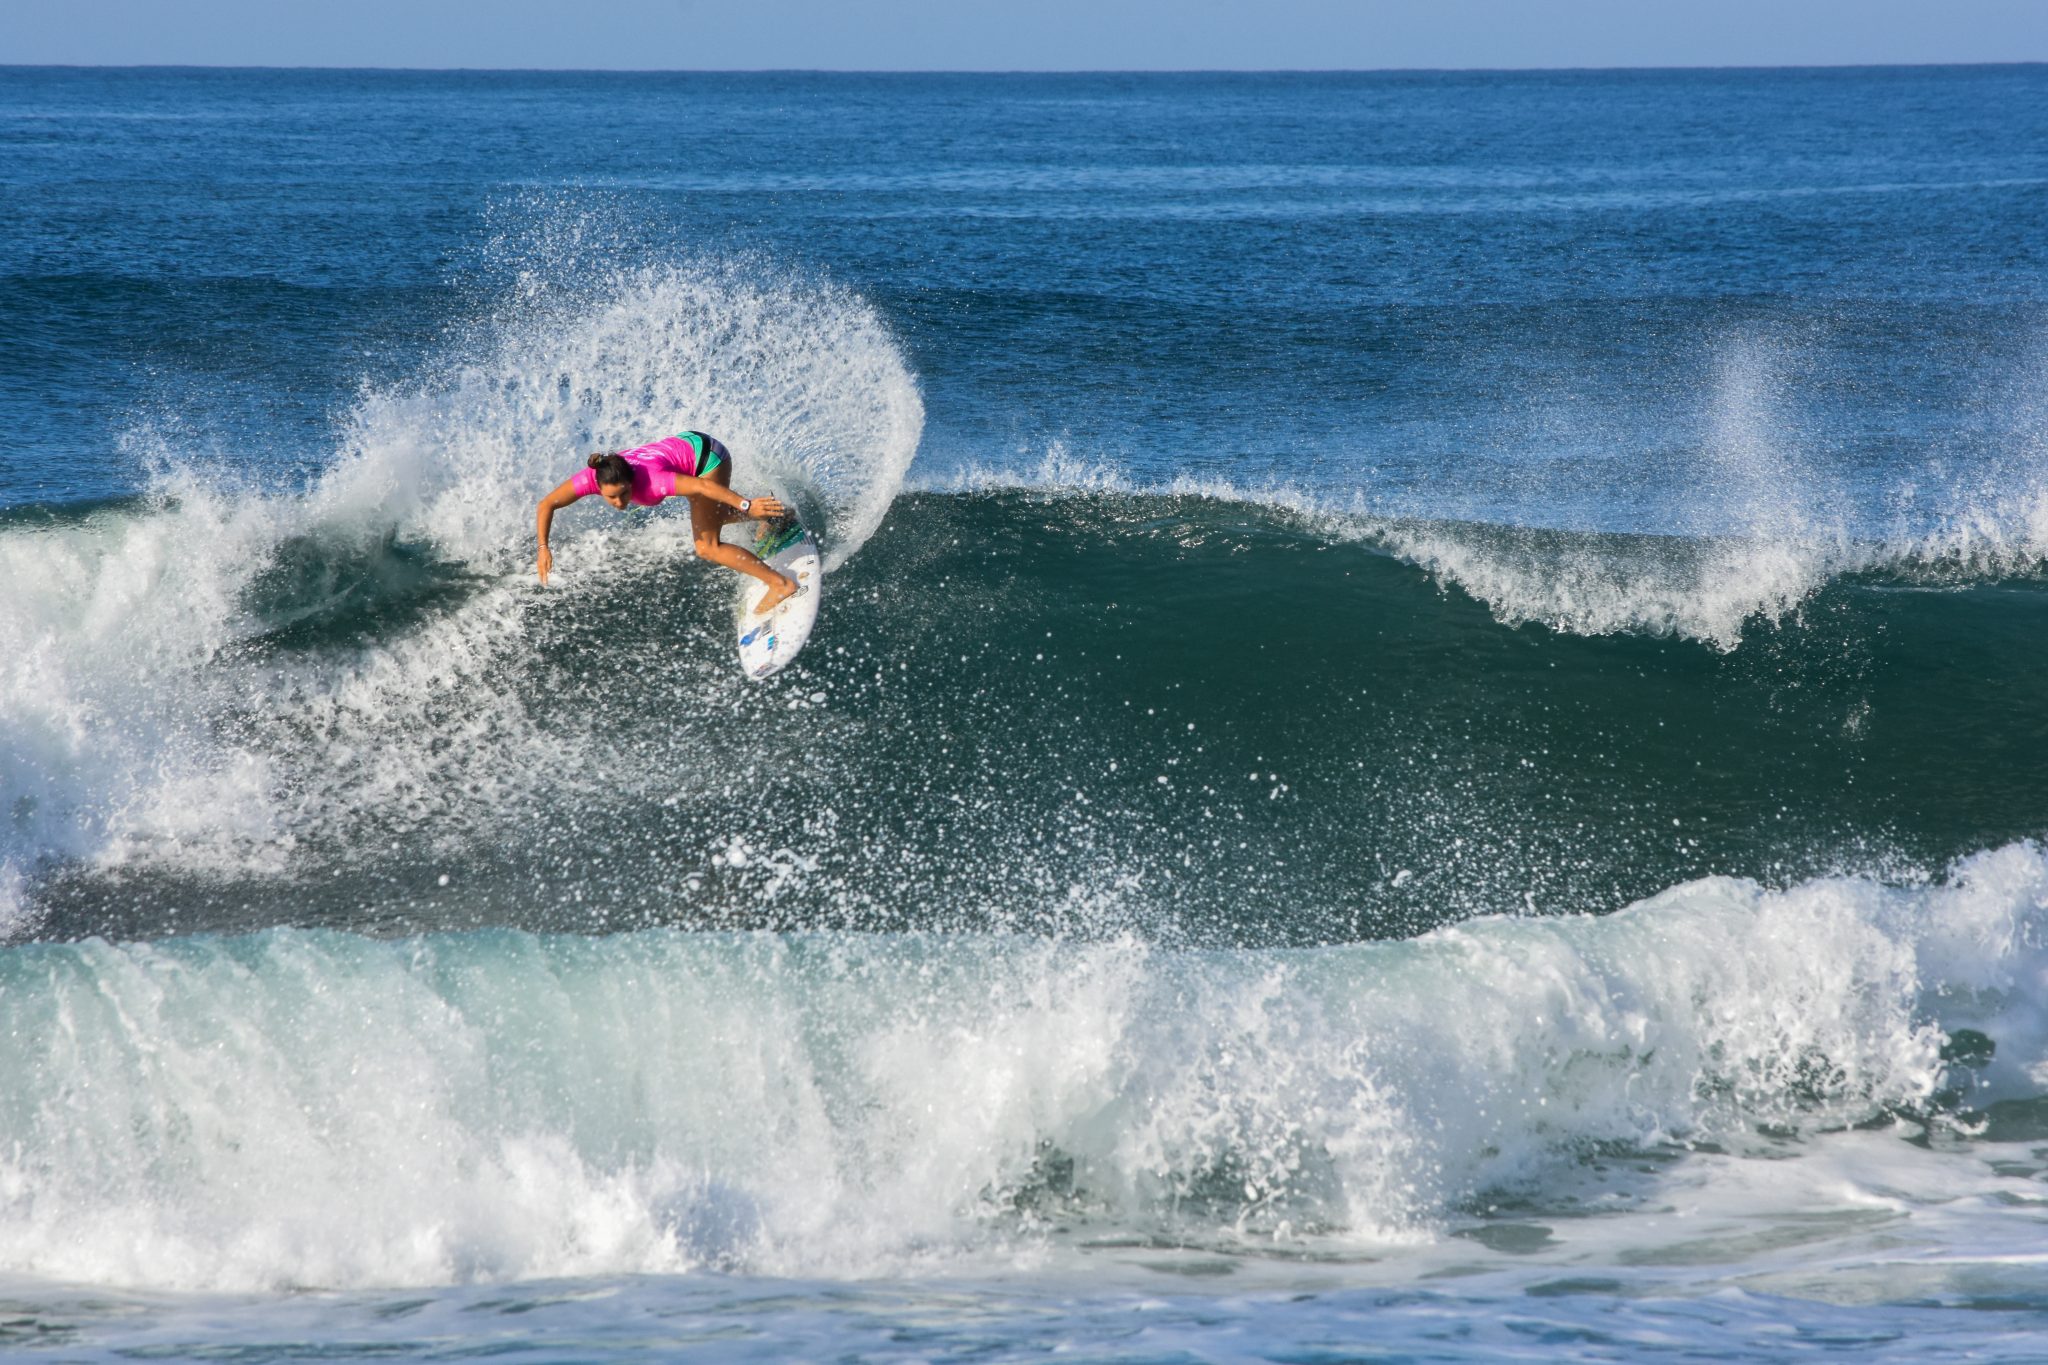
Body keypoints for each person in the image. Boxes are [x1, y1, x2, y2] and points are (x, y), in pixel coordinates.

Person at [534, 430, 800, 614]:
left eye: (624, 493)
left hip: (707, 457)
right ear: (598, 486)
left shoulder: (653, 481)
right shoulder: (592, 477)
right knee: (709, 517)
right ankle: (774, 514)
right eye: (612, 497)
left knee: (707, 546)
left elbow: (703, 488)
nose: (619, 502)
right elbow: (547, 504)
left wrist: (745, 504)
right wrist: (543, 548)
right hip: (686, 444)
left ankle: (780, 584)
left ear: (631, 482)